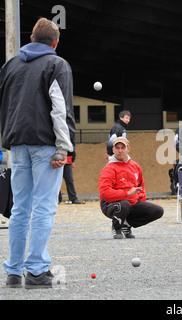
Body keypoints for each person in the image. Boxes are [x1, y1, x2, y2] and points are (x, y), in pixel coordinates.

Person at [0, 18, 75, 288]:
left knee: (20, 209)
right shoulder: (57, 65)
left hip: (17, 145)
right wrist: (63, 148)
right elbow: (60, 108)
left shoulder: (10, 65)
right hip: (45, 145)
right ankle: (36, 270)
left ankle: (13, 270)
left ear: (31, 38)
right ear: (55, 42)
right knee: (44, 207)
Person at [99, 137, 164, 239]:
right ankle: (117, 227)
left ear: (128, 149)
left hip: (131, 202)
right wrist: (126, 193)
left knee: (158, 211)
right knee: (124, 204)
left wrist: (142, 205)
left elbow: (141, 187)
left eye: (123, 148)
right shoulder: (109, 168)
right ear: (113, 150)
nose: (120, 150)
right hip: (111, 204)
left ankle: (127, 224)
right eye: (117, 148)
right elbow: (105, 193)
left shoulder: (135, 166)